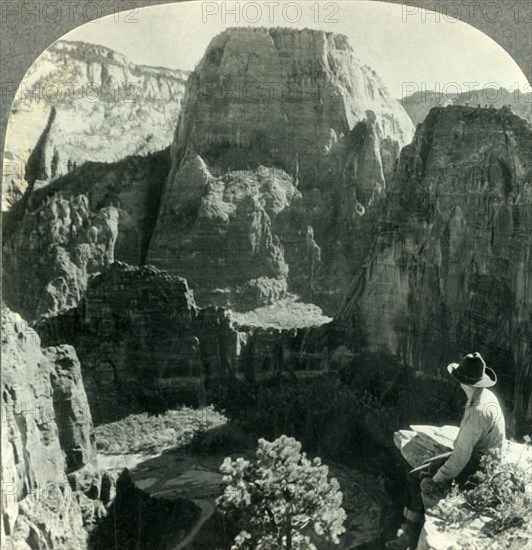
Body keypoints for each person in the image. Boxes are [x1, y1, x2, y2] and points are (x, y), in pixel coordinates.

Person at [386, 352, 506, 550]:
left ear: (463, 382)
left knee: (416, 478)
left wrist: (437, 479)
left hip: (478, 465)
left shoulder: (477, 411)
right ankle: (408, 532)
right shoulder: (485, 396)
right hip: (485, 456)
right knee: (421, 469)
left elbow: (460, 458)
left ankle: (409, 535)